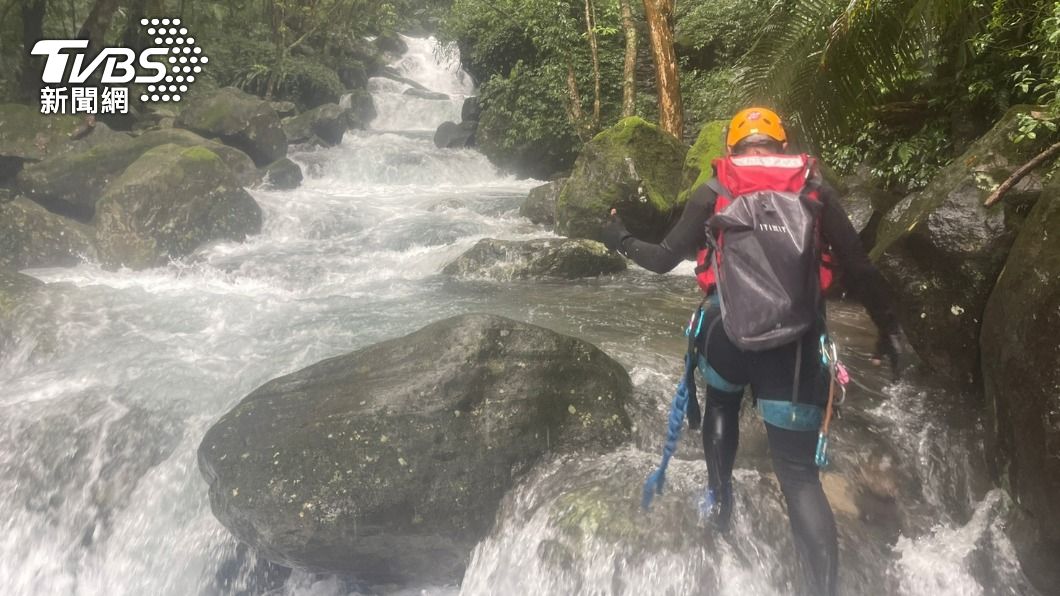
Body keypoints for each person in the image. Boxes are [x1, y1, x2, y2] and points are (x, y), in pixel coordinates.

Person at [601, 107, 902, 596]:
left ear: (731, 149)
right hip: (798, 344)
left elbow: (660, 261)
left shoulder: (715, 189)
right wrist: (889, 330)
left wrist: (618, 237)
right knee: (800, 476)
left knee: (721, 404)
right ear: (782, 146)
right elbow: (861, 269)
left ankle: (720, 501)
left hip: (727, 333)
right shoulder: (815, 191)